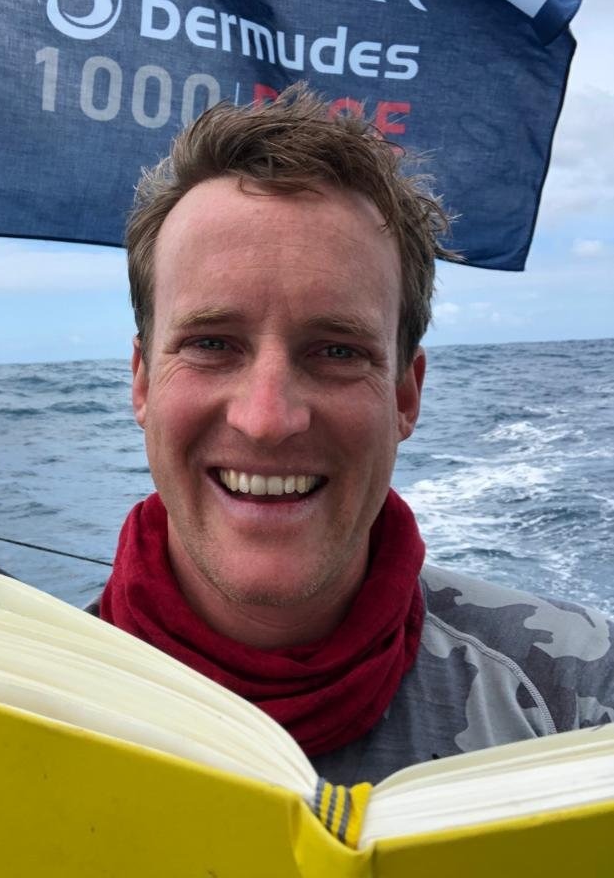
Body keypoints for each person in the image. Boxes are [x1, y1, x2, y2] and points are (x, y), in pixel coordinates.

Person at [99, 85, 614, 784]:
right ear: (142, 384)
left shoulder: (578, 704)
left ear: (404, 395)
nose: (267, 419)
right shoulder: (1, 712)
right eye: (212, 343)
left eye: (337, 351)